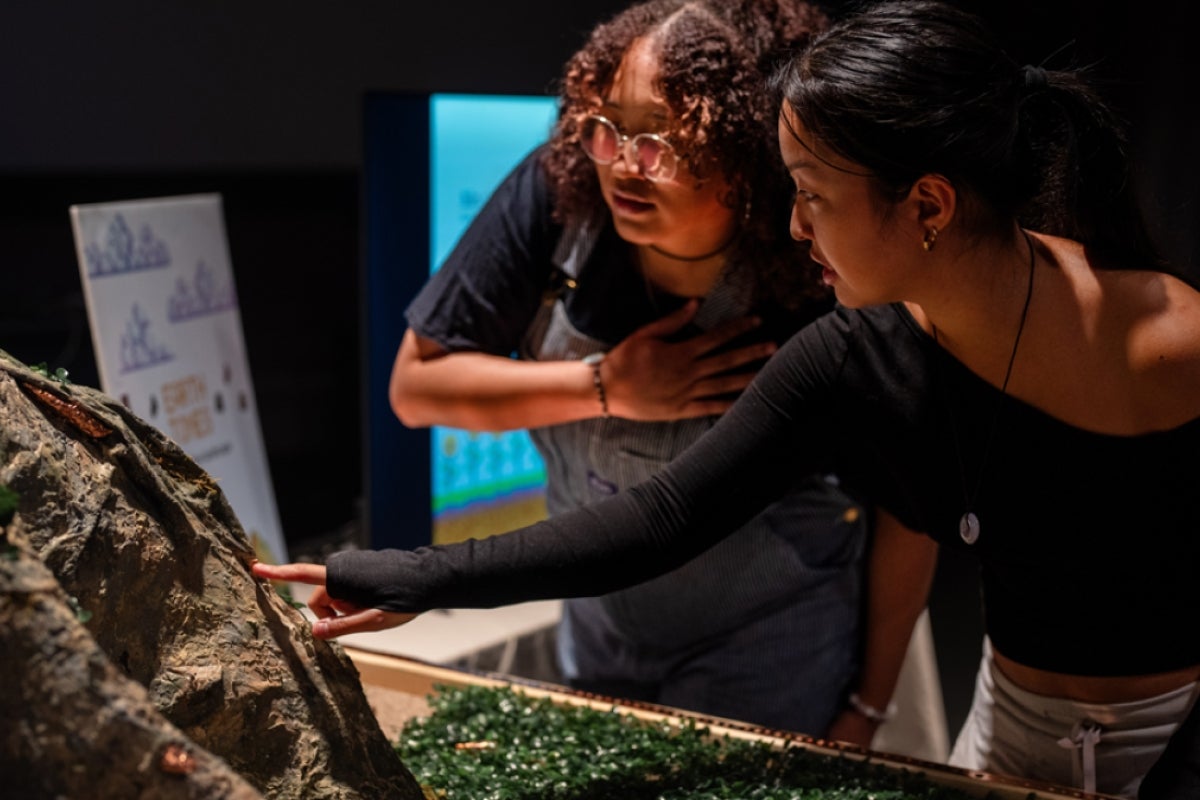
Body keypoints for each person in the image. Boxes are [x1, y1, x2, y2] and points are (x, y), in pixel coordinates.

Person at [253, 0, 1198, 793]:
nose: (792, 226)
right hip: (1006, 727)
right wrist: (423, 575)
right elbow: (664, 515)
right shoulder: (856, 353)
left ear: (929, 208)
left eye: (814, 195)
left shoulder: (1176, 346)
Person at [372, 0, 942, 746]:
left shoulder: (818, 269)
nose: (619, 167)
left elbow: (912, 509)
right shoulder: (560, 192)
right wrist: (604, 386)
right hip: (601, 626)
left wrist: (869, 705)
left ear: (744, 152)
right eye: (606, 128)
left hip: (770, 641)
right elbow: (415, 388)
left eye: (661, 147)